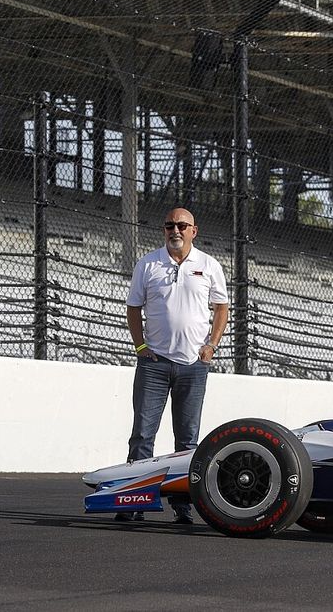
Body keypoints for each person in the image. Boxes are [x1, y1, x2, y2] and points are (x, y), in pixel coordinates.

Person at [118, 207, 229, 524]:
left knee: (188, 440)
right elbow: (133, 308)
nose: (175, 230)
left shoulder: (209, 265)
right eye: (169, 225)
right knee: (142, 434)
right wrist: (140, 346)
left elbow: (221, 307)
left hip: (194, 366)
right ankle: (134, 501)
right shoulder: (148, 263)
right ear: (164, 230)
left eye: (182, 225)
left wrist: (211, 346)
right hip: (153, 363)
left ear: (195, 230)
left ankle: (183, 506)